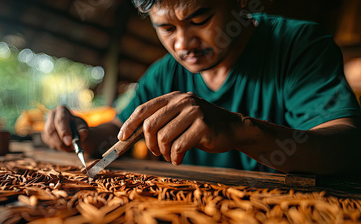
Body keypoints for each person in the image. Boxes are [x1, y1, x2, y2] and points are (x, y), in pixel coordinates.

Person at [42, 0, 361, 175]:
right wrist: (82, 133)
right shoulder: (163, 74)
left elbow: (347, 144)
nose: (183, 44)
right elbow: (116, 132)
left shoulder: (297, 45)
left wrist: (238, 130)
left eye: (199, 19)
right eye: (166, 28)